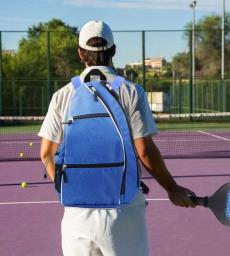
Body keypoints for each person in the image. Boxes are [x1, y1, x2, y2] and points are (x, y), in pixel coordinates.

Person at [39, 20, 196, 256]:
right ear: (114, 51)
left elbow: (46, 154)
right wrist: (172, 189)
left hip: (77, 216)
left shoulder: (63, 95)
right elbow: (144, 152)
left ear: (80, 53)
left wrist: (71, 190)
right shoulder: (131, 91)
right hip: (124, 212)